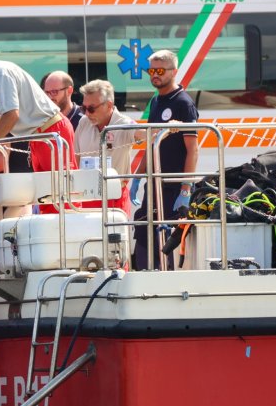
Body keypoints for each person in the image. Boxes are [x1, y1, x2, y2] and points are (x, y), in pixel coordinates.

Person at [0, 40, 79, 174]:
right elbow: (9, 111)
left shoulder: (1, 73)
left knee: (62, 190)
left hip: (50, 131)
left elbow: (12, 114)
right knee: (49, 190)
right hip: (43, 133)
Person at [132, 49, 199, 270]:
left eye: (160, 70)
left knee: (166, 235)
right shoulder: (156, 102)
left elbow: (192, 150)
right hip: (154, 183)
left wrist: (185, 189)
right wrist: (136, 178)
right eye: (151, 70)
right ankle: (144, 275)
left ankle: (167, 278)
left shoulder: (183, 103)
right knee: (143, 229)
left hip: (172, 184)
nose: (154, 75)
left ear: (174, 71)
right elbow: (152, 143)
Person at [74, 79, 138, 212]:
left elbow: (145, 134)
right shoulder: (83, 122)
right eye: (83, 108)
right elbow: (76, 159)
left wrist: (167, 128)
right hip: (86, 196)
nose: (86, 113)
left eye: (91, 108)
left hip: (114, 197)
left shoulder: (124, 123)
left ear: (109, 105)